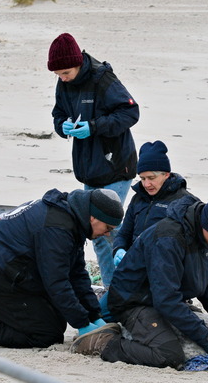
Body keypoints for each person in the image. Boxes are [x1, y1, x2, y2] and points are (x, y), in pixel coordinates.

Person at [70, 195, 208, 370]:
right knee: (169, 355)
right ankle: (103, 342)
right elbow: (166, 299)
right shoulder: (169, 238)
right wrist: (206, 339)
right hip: (134, 302)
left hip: (165, 300)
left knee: (206, 338)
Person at [0, 188, 124, 349]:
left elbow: (77, 273)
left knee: (57, 321)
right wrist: (82, 323)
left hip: (19, 274)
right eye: (107, 227)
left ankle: (2, 316)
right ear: (93, 217)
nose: (107, 233)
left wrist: (94, 315)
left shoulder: (71, 216)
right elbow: (57, 282)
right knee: (47, 335)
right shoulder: (57, 228)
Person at [48, 32, 140, 287]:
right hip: (89, 170)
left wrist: (94, 126)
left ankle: (122, 289)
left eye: (65, 73)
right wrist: (62, 125)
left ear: (78, 63)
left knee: (107, 230)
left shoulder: (102, 78)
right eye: (58, 75)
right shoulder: (64, 82)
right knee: (97, 232)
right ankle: (114, 288)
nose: (62, 78)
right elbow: (58, 113)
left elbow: (130, 112)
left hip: (116, 167)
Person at [112, 140, 194, 267]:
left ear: (166, 174)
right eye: (142, 178)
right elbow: (124, 233)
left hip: (165, 269)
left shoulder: (185, 202)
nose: (146, 184)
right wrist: (118, 249)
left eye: (151, 178)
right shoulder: (137, 198)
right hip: (135, 266)